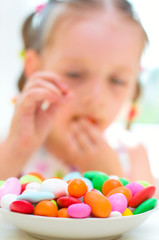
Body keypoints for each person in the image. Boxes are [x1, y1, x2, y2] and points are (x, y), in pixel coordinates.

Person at [0, 0, 154, 185]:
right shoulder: (10, 146)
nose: (96, 98)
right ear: (35, 68)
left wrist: (112, 180)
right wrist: (16, 152)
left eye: (117, 80)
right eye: (75, 74)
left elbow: (149, 212)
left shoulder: (132, 155)